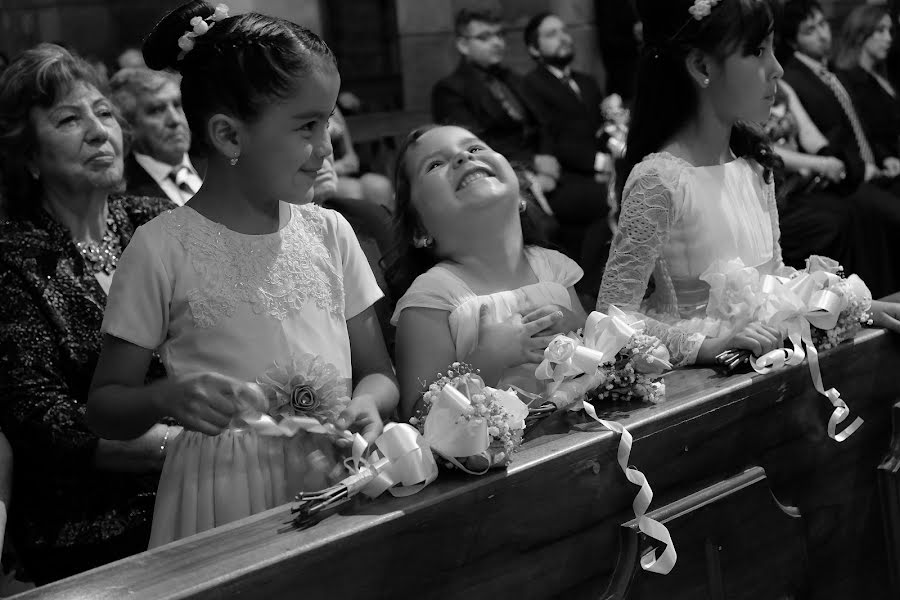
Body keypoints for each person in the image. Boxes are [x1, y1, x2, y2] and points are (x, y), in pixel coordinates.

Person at [87, 1, 398, 548]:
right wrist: (165, 398)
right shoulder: (162, 248)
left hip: (332, 473)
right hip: (223, 494)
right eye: (306, 126)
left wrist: (369, 402)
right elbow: (107, 406)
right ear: (229, 136)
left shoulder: (330, 233)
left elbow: (378, 372)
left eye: (326, 122)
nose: (326, 148)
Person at [597, 0, 900, 369]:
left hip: (771, 361)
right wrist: (706, 345)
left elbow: (773, 282)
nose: (777, 69)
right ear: (702, 66)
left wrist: (854, 306)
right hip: (704, 383)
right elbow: (611, 317)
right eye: (757, 51)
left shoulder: (754, 165)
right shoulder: (659, 180)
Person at [0, 44, 176, 584]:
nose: (99, 131)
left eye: (104, 114)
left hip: (204, 479)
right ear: (29, 155)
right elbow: (45, 422)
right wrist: (181, 447)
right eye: (69, 119)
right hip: (97, 528)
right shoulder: (12, 261)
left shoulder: (157, 219)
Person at [390, 124, 586, 420]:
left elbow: (599, 358)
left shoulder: (555, 268)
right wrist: (484, 363)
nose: (462, 158)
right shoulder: (431, 297)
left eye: (474, 148)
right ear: (419, 229)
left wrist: (577, 329)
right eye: (435, 164)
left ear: (521, 193)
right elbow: (418, 416)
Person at [521, 12, 614, 299]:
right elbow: (553, 139)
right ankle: (587, 289)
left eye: (564, 31)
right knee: (613, 200)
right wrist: (600, 163)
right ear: (534, 49)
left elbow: (599, 131)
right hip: (564, 179)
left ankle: (600, 284)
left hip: (600, 173)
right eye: (551, 34)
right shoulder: (532, 85)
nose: (563, 38)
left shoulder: (586, 82)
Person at [431, 9, 559, 194]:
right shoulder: (450, 90)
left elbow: (544, 121)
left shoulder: (512, 77)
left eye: (500, 35)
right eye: (485, 37)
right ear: (463, 44)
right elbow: (472, 147)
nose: (497, 42)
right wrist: (532, 164)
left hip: (545, 168)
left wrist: (546, 157)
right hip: (497, 179)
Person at [110, 67, 202, 205]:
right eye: (157, 110)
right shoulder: (122, 197)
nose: (175, 120)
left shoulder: (221, 161)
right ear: (129, 125)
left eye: (177, 105)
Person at [835, 4, 900, 172]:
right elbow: (864, 130)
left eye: (890, 31)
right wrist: (884, 157)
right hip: (883, 165)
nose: (888, 38)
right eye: (880, 31)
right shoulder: (848, 78)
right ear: (861, 33)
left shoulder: (884, 73)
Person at [326, 106, 395, 213]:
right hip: (320, 178)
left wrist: (344, 166)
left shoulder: (333, 107)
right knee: (353, 193)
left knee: (381, 186)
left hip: (343, 173)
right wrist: (333, 168)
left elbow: (352, 158)